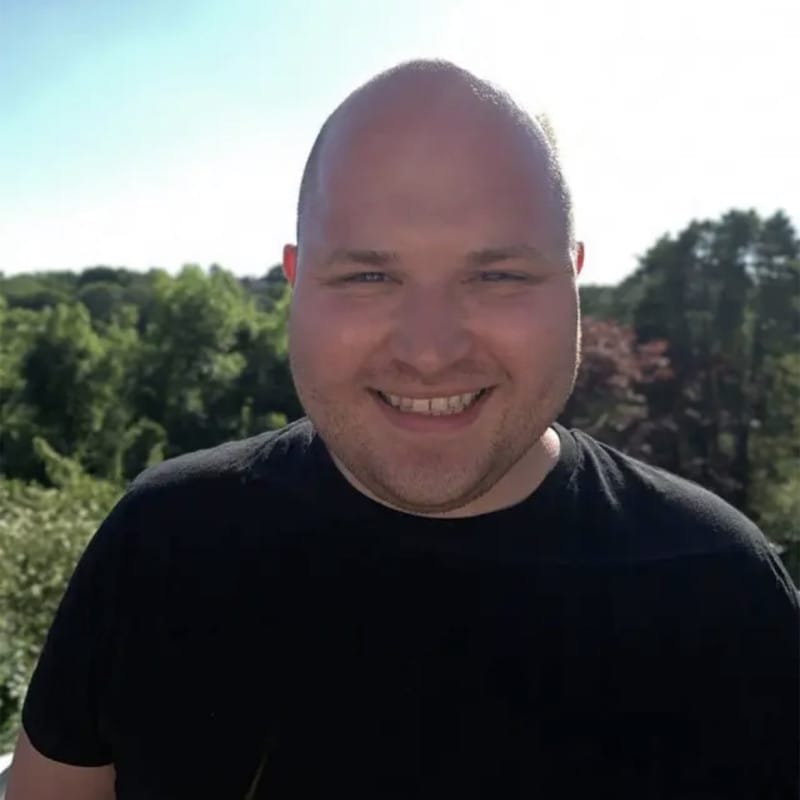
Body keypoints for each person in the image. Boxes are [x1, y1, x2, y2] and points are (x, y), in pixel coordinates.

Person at [7, 60, 799, 800]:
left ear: (573, 279)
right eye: (368, 276)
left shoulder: (722, 591)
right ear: (295, 282)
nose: (428, 351)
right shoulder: (162, 541)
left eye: (498, 275)